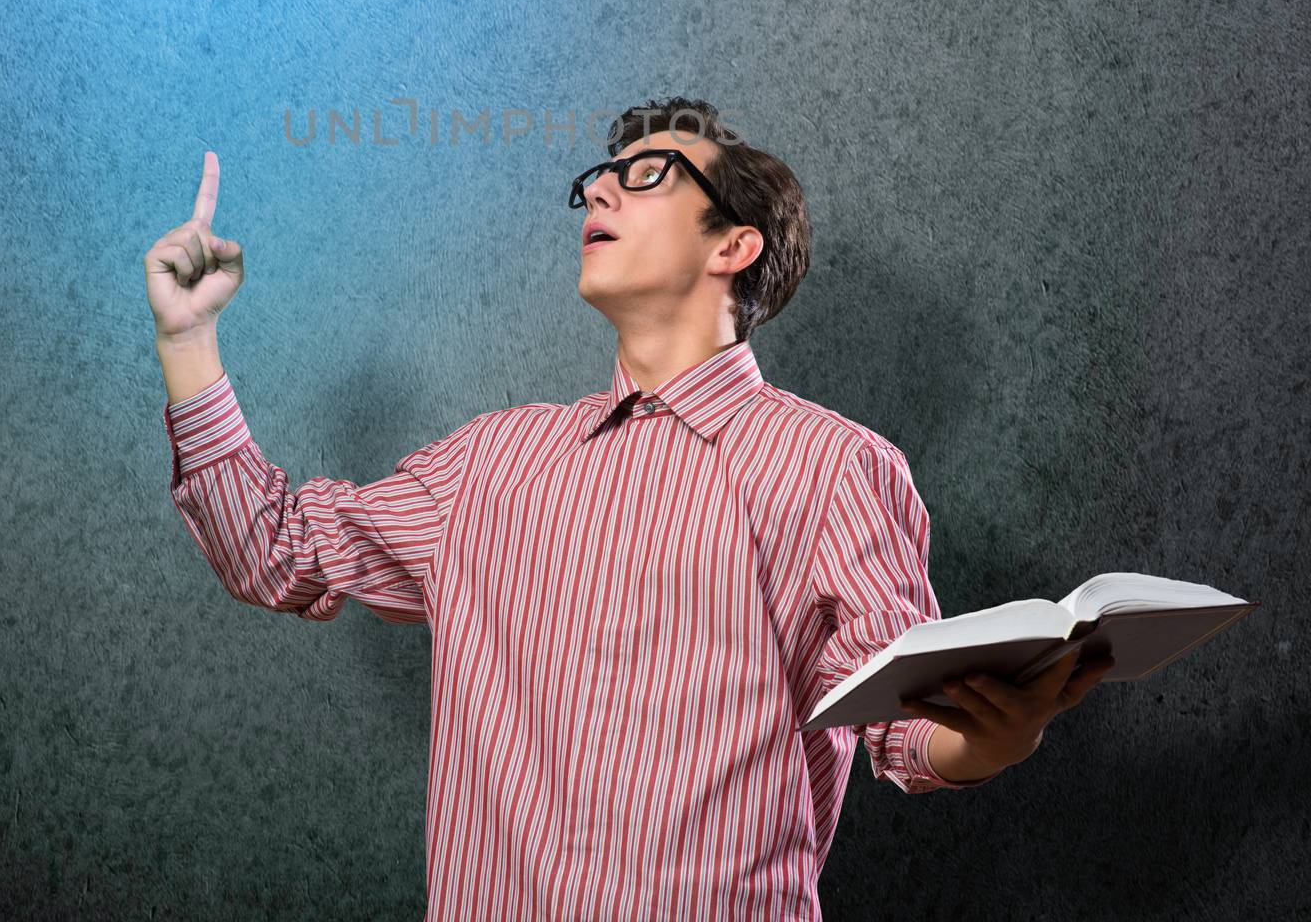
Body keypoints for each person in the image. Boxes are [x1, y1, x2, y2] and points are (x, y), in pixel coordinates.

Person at [144, 96, 1112, 920]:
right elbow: (271, 550)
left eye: (645, 175)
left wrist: (994, 734)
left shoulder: (833, 467)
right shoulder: (489, 463)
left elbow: (901, 725)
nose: (598, 188)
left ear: (734, 243)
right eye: (596, 179)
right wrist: (187, 340)